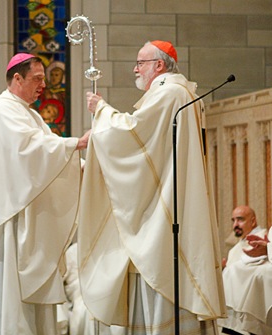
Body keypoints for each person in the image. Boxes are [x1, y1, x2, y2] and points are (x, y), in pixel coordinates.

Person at [80, 40, 226, 334]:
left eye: (140, 63)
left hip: (167, 203)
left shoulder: (170, 92)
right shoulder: (181, 93)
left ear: (159, 65)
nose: (135, 69)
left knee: (160, 262)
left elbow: (134, 136)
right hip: (170, 192)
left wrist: (102, 110)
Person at [0, 53, 90, 334]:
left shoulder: (29, 114)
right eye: (37, 79)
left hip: (31, 219)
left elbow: (47, 155)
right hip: (13, 217)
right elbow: (30, 151)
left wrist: (84, 168)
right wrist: (76, 144)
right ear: (17, 78)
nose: (42, 86)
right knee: (14, 294)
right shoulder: (1, 110)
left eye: (44, 80)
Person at [218, 206, 272, 335]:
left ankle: (250, 327)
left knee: (257, 275)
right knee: (232, 270)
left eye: (240, 219)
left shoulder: (260, 235)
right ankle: (233, 326)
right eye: (233, 220)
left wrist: (267, 248)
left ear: (253, 221)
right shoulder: (236, 247)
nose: (235, 225)